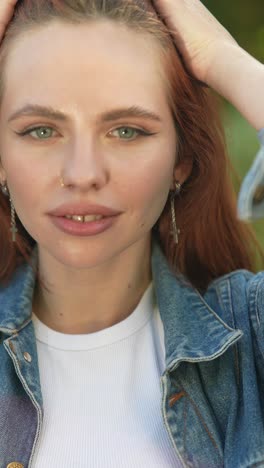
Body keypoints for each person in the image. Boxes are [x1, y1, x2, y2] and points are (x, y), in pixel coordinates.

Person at [0, 0, 263, 467]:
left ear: (181, 160)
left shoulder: (251, 344)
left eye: (126, 131)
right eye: (41, 130)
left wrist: (222, 56)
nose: (82, 174)